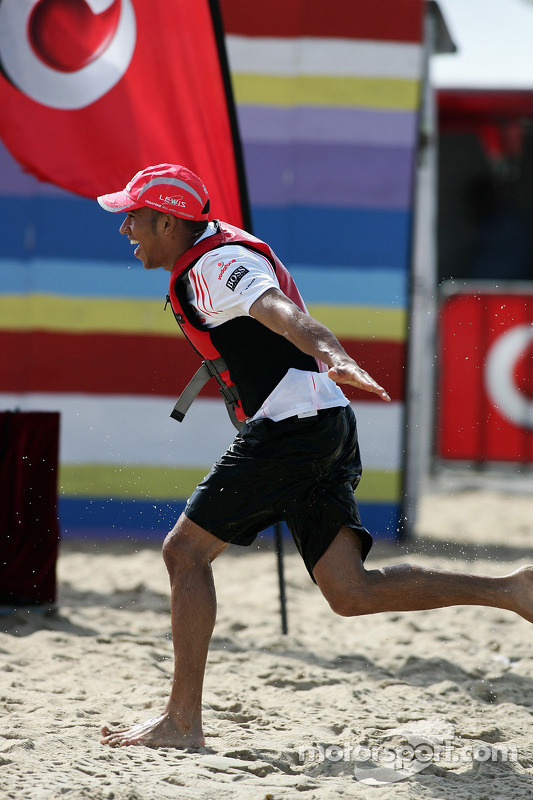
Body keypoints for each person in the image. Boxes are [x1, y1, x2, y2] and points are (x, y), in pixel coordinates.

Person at [97, 163, 533, 749]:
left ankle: (181, 722)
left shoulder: (216, 266)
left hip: (293, 429)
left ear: (168, 223)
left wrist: (333, 353)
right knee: (351, 592)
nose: (124, 228)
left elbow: (281, 312)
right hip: (322, 424)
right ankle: (511, 590)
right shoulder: (213, 251)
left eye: (133, 216)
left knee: (184, 554)